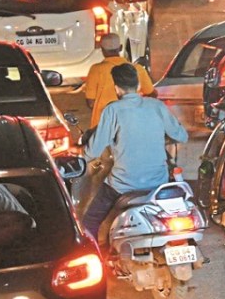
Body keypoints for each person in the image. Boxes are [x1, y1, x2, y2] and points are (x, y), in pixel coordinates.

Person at [80, 63, 188, 241]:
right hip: (157, 183)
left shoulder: (113, 110)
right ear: (138, 86)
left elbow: (94, 149)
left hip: (123, 186)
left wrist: (81, 158)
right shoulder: (157, 106)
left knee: (89, 221)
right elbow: (181, 136)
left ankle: (97, 260)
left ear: (116, 88)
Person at [84, 33, 156, 129]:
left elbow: (90, 102)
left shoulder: (96, 70)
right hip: (132, 122)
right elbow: (152, 94)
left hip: (103, 125)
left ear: (102, 49)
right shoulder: (137, 69)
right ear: (121, 47)